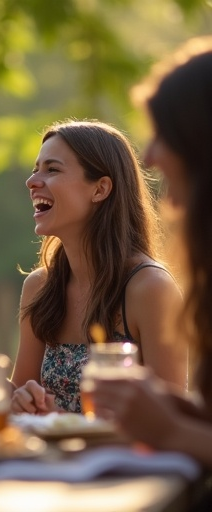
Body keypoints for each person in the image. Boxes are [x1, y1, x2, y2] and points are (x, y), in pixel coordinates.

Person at [10, 119, 187, 415]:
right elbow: (22, 392)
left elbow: (169, 422)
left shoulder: (150, 289)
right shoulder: (39, 287)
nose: (32, 182)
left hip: (122, 462)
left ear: (101, 189)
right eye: (35, 170)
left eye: (52, 169)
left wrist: (65, 423)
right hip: (43, 460)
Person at [93, 37, 212, 469]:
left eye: (162, 136)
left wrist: (169, 429)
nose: (149, 156)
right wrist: (170, 407)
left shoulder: (149, 283)